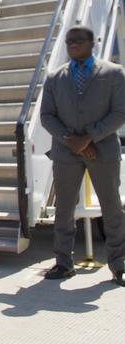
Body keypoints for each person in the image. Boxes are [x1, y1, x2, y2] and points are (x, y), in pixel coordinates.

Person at [40, 25, 125, 286]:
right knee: (64, 209)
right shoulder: (55, 77)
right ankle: (63, 263)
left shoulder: (113, 73)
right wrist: (71, 141)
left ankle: (119, 266)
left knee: (112, 209)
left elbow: (120, 112)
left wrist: (88, 138)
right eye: (69, 41)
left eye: (78, 40)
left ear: (92, 43)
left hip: (102, 150)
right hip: (66, 154)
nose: (73, 44)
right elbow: (46, 116)